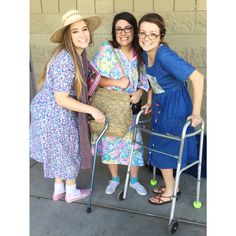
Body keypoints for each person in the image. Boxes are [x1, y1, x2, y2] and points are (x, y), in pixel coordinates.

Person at [29, 10, 105, 203]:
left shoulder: (77, 55)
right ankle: (71, 192)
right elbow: (62, 99)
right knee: (69, 149)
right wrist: (92, 109)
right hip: (55, 111)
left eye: (84, 29)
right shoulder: (66, 59)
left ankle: (58, 189)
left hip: (47, 110)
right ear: (67, 36)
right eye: (75, 31)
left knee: (59, 150)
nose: (82, 35)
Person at [138, 13, 204, 205]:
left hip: (175, 105)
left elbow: (198, 79)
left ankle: (170, 191)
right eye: (143, 33)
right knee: (162, 144)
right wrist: (149, 100)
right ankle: (172, 184)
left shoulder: (164, 55)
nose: (146, 37)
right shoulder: (145, 52)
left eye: (153, 34)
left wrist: (196, 112)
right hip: (161, 103)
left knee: (164, 147)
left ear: (161, 36)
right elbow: (152, 80)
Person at [92, 12, 149, 196]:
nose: (123, 33)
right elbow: (95, 79)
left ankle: (133, 180)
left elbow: (143, 80)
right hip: (111, 107)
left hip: (130, 108)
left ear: (134, 30)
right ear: (114, 31)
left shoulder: (139, 52)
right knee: (111, 143)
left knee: (134, 144)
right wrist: (117, 83)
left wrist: (140, 92)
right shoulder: (107, 50)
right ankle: (115, 178)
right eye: (118, 29)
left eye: (127, 28)